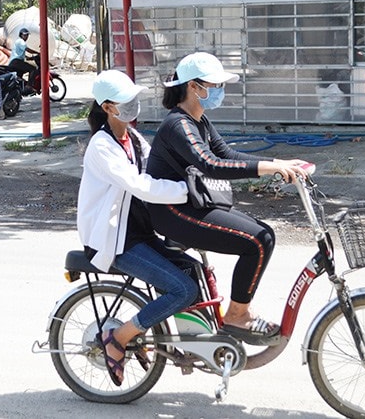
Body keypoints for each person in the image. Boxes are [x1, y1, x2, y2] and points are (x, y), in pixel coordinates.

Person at [145, 52, 310, 344]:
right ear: (194, 87)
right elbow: (211, 164)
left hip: (192, 204)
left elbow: (228, 155)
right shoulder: (178, 125)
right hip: (173, 212)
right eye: (215, 85)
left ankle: (235, 314)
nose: (220, 91)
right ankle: (237, 316)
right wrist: (270, 168)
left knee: (264, 236)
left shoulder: (200, 121)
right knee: (258, 240)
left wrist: (280, 162)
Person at [77, 69, 200, 386]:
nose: (133, 104)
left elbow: (160, 169)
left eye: (134, 98)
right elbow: (142, 185)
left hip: (139, 234)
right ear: (108, 107)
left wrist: (195, 177)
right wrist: (186, 192)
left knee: (193, 271)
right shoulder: (102, 147)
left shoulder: (131, 138)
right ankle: (119, 337)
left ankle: (190, 341)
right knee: (183, 289)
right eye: (125, 101)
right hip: (115, 242)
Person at [6, 28, 37, 93]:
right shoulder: (21, 41)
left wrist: (29, 58)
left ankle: (21, 89)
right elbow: (28, 50)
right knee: (33, 69)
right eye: (25, 35)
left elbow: (21, 53)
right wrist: (38, 53)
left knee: (20, 75)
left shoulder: (18, 42)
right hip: (16, 62)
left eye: (27, 35)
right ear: (21, 35)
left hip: (15, 62)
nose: (26, 37)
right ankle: (29, 86)